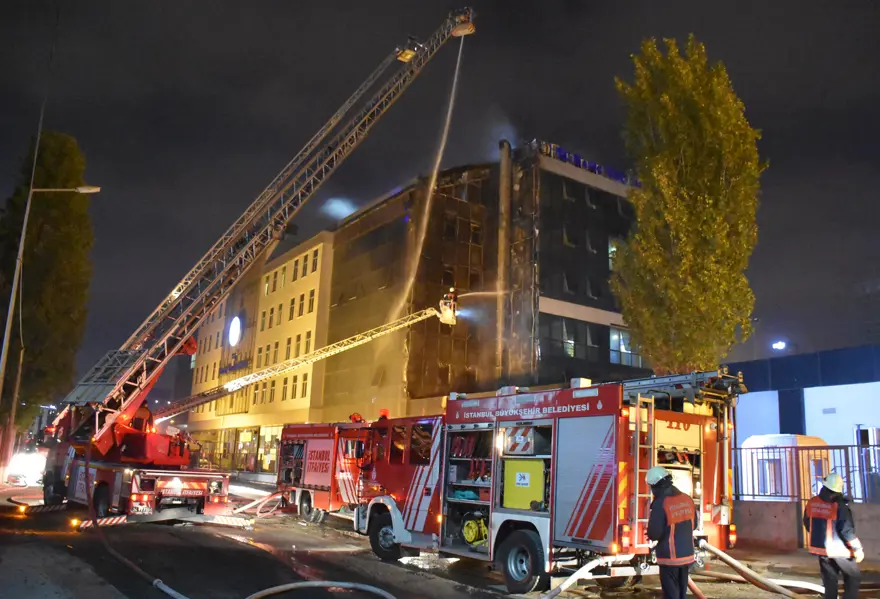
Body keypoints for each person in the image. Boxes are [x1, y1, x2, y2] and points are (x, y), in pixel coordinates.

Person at [803, 473, 863, 599]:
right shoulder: (839, 506)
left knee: (830, 583)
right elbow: (846, 530)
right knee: (853, 577)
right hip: (839, 550)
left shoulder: (812, 502)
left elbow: (808, 523)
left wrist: (820, 537)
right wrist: (857, 549)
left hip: (821, 549)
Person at [646, 466, 697, 599]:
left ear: (656, 486)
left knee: (671, 594)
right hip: (687, 556)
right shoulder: (687, 499)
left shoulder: (661, 503)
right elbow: (694, 525)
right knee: (681, 593)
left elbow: (654, 533)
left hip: (669, 557)